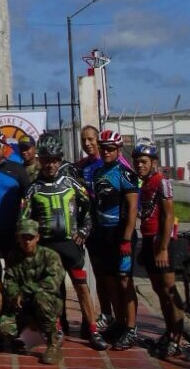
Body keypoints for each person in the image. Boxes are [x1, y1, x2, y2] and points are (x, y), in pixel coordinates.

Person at [20, 133, 106, 351]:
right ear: (40, 159)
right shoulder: (33, 189)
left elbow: (88, 209)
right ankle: (57, 328)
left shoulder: (72, 183)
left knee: (82, 288)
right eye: (46, 159)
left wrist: (84, 231)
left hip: (71, 245)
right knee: (52, 290)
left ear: (60, 160)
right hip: (47, 247)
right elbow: (24, 219)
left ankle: (93, 329)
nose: (50, 164)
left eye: (55, 160)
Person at [88, 129, 140, 351]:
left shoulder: (126, 173)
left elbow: (131, 210)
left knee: (124, 281)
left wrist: (126, 239)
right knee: (109, 280)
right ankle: (119, 323)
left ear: (118, 150)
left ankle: (131, 328)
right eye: (103, 148)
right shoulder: (99, 172)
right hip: (104, 235)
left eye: (110, 149)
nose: (106, 152)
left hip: (121, 234)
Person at [133, 138, 184, 358]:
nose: (139, 165)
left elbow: (168, 215)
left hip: (161, 243)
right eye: (136, 162)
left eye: (144, 161)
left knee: (169, 291)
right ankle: (169, 332)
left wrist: (162, 247)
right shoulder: (144, 184)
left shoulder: (161, 181)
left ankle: (177, 338)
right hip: (148, 240)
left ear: (153, 161)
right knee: (159, 292)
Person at [0, 218, 66, 366]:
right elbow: (9, 281)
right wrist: (15, 295)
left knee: (41, 298)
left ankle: (53, 343)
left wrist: (25, 291)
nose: (27, 241)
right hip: (24, 306)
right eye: (23, 237)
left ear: (37, 237)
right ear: (18, 239)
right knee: (3, 327)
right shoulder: (14, 256)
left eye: (31, 237)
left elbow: (52, 283)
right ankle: (29, 332)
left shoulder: (50, 256)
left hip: (47, 303)